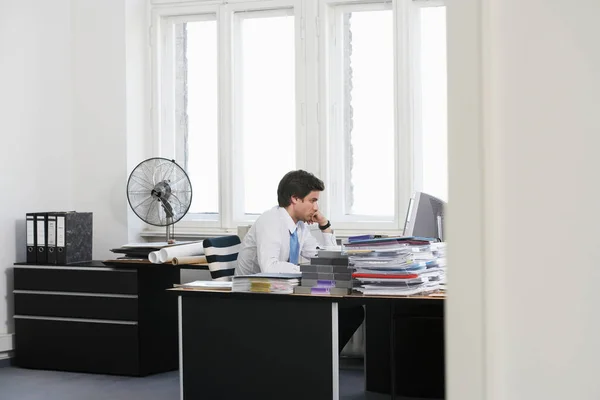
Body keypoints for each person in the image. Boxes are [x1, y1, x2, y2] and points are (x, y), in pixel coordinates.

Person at [235, 170, 364, 352]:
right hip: (256, 298)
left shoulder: (300, 226)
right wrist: (308, 272)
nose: (316, 208)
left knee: (352, 310)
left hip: (281, 292)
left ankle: (320, 360)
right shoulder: (271, 221)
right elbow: (269, 267)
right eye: (313, 200)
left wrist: (325, 226)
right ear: (295, 199)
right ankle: (314, 359)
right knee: (344, 312)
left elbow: (324, 257)